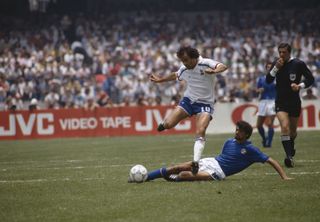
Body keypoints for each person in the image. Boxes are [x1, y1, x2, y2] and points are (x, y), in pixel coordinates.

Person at [150, 46, 228, 174]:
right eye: (182, 61)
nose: (184, 63)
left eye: (186, 60)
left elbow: (223, 66)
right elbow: (176, 74)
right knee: (169, 124)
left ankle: (195, 162)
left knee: (200, 130)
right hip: (188, 101)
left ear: (194, 57)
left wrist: (214, 71)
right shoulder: (184, 68)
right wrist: (161, 80)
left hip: (205, 103)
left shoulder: (205, 63)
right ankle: (164, 124)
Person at [131, 121, 292, 183]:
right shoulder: (229, 141)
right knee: (177, 167)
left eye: (240, 131)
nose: (236, 132)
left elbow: (271, 160)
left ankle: (170, 178)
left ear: (246, 135)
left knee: (185, 176)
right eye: (236, 129)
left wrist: (284, 176)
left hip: (218, 173)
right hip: (211, 161)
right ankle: (145, 178)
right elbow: (221, 157)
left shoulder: (251, 150)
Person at [266, 43, 315, 168]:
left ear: (289, 52)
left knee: (292, 132)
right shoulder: (276, 63)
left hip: (294, 102)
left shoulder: (298, 64)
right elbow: (268, 80)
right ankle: (289, 157)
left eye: (284, 52)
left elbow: (310, 79)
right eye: (280, 52)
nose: (281, 54)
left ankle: (291, 145)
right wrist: (276, 67)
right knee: (285, 127)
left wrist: (300, 86)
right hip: (280, 102)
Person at [256, 62, 276, 148]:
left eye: (270, 67)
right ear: (266, 68)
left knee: (270, 123)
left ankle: (269, 142)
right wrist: (259, 90)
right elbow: (257, 90)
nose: (269, 68)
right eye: (268, 67)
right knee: (259, 125)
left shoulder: (277, 78)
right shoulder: (261, 79)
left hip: (273, 101)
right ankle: (264, 138)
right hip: (263, 101)